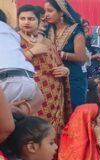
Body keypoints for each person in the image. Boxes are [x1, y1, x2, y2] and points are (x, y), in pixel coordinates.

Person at [17, 5, 70, 134]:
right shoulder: (14, 40)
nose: (26, 22)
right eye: (22, 18)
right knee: (30, 132)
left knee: (51, 133)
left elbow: (58, 63)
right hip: (27, 95)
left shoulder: (47, 42)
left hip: (53, 95)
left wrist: (65, 70)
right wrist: (30, 52)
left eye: (31, 19)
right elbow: (7, 65)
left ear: (39, 21)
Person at [44, 0, 88, 109]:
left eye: (50, 11)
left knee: (74, 111)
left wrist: (61, 54)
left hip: (72, 78)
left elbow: (82, 58)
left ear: (61, 12)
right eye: (45, 11)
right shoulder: (48, 30)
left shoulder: (75, 30)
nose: (46, 15)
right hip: (53, 79)